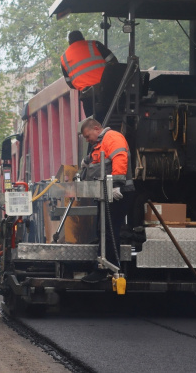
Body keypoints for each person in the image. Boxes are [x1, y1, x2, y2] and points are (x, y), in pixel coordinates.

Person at [79, 118, 135, 283]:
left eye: (88, 136)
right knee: (103, 230)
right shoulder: (100, 143)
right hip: (106, 194)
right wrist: (87, 161)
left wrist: (117, 185)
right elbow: (100, 160)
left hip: (118, 192)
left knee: (109, 231)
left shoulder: (112, 137)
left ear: (97, 129)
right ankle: (103, 266)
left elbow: (119, 158)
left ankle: (106, 268)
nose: (88, 140)